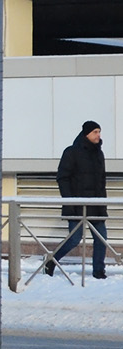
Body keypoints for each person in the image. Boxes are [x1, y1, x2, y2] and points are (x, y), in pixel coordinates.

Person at [45, 120, 110, 280]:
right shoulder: (72, 152)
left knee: (101, 238)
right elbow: (63, 177)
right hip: (77, 205)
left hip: (96, 205)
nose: (98, 135)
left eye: (99, 132)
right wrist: (69, 200)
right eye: (95, 132)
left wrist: (103, 204)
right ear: (86, 133)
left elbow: (101, 181)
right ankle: (51, 261)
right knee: (74, 239)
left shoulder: (99, 154)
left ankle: (99, 272)